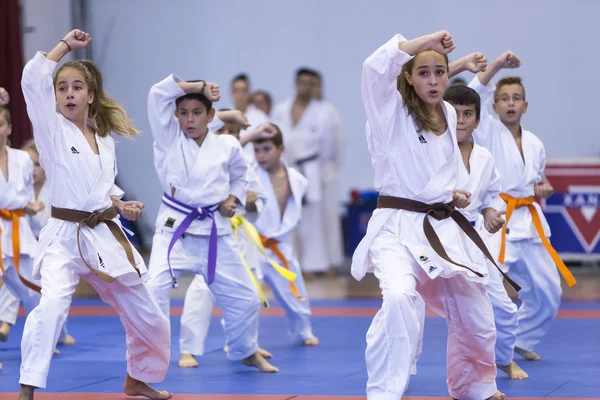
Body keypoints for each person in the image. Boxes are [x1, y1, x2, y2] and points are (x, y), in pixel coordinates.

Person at [353, 31, 506, 399]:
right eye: (423, 72)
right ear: (407, 76)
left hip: (440, 227)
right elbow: (373, 69)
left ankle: (474, 387)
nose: (433, 80)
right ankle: (384, 392)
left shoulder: (450, 113)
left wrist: (449, 193)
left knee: (475, 308)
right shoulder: (389, 111)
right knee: (400, 298)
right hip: (397, 229)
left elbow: (430, 171)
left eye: (440, 72)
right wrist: (424, 41)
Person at [20, 29, 171, 399]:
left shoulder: (104, 140)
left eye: (76, 87)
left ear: (90, 96)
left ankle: (137, 378)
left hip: (102, 235)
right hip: (62, 237)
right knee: (52, 307)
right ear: (54, 98)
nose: (69, 93)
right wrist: (65, 47)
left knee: (148, 312)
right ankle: (27, 387)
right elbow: (32, 78)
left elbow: (102, 189)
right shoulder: (50, 130)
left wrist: (121, 205)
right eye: (62, 88)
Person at [146, 71, 277, 372]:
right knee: (152, 291)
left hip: (215, 231)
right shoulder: (169, 140)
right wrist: (196, 87)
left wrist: (233, 199)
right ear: (175, 116)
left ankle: (245, 350)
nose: (189, 120)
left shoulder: (228, 146)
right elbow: (156, 94)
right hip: (173, 232)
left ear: (210, 116)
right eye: (183, 113)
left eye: (196, 113)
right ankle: (150, 356)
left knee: (246, 296)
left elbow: (240, 177)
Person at [468, 50, 576, 362]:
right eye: (504, 98)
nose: (511, 103)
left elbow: (536, 182)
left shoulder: (536, 143)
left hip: (529, 222)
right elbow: (473, 93)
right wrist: (498, 65)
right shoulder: (486, 130)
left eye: (517, 98)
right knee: (487, 290)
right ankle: (487, 349)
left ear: (525, 106)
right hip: (496, 219)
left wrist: (541, 189)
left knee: (549, 292)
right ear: (493, 105)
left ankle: (520, 338)